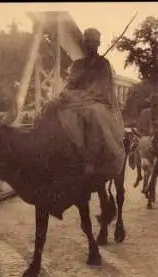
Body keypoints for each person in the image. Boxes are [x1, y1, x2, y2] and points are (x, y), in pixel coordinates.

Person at [43, 28, 125, 177]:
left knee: (94, 113)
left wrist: (86, 93)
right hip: (76, 96)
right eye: (87, 42)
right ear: (84, 44)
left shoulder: (103, 64)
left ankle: (90, 159)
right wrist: (74, 82)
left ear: (98, 44)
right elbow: (70, 84)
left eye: (93, 42)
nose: (90, 46)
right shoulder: (78, 64)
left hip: (96, 99)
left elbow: (103, 87)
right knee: (50, 105)